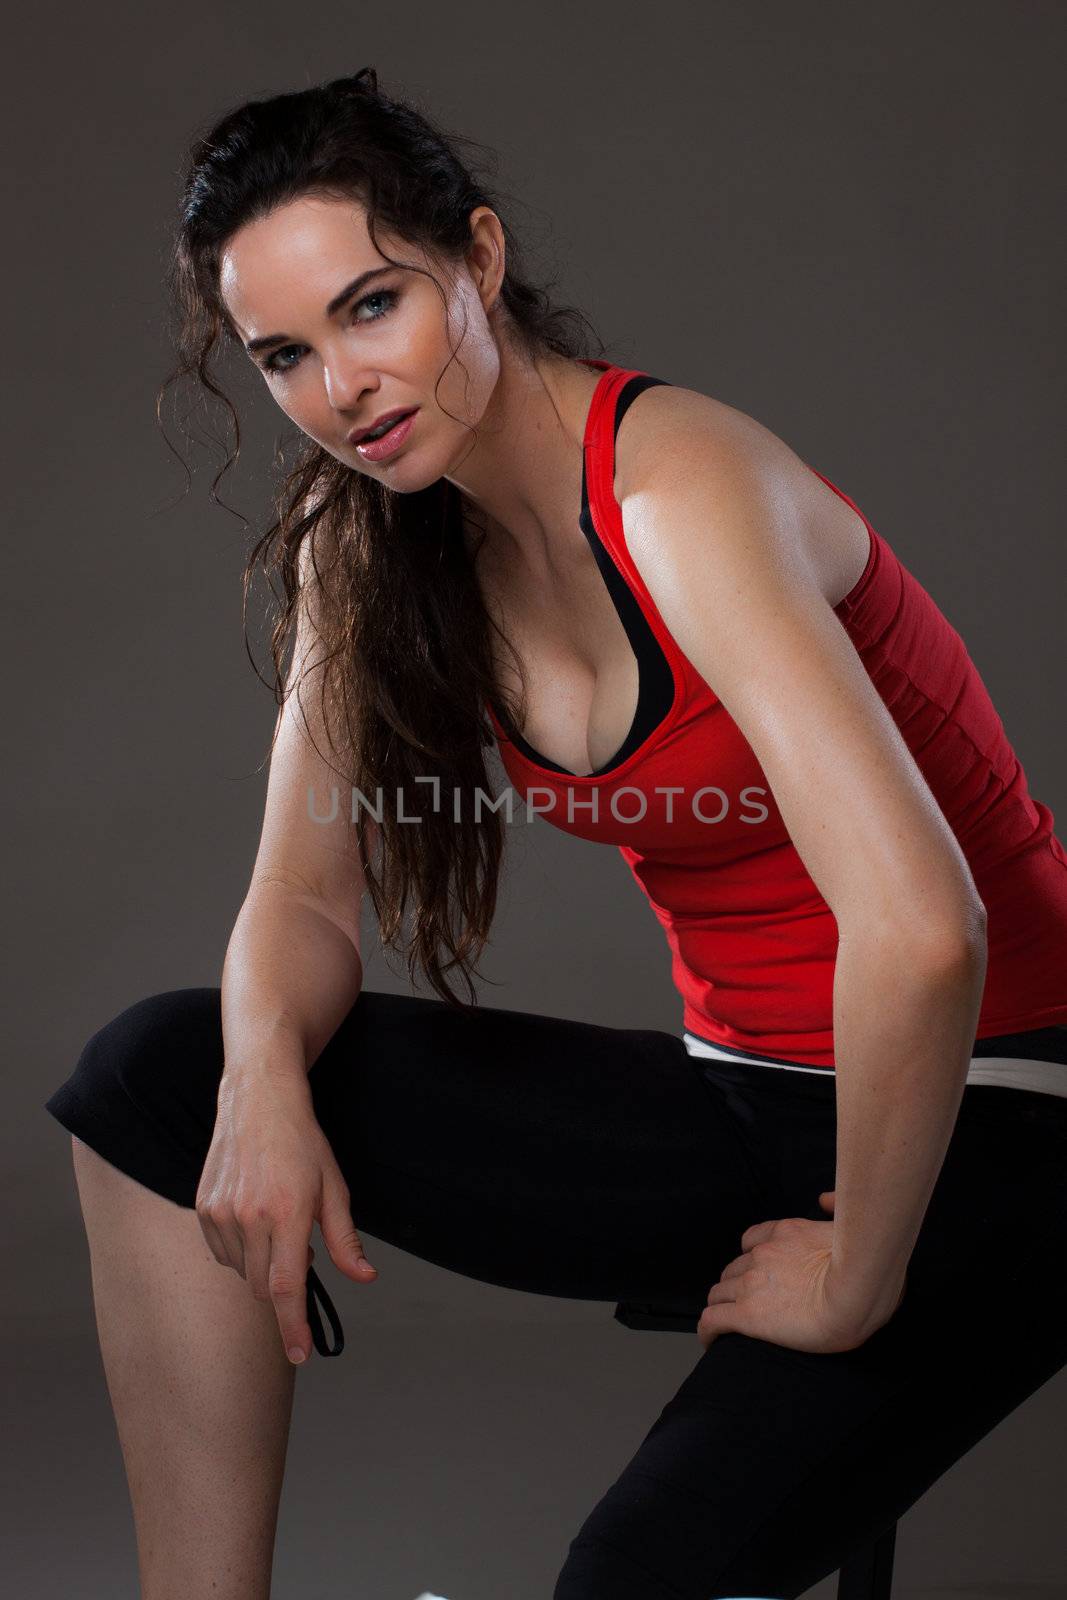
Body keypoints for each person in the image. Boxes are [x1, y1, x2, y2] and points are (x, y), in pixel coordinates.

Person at [44, 64, 1067, 1600]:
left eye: (374, 305)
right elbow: (303, 905)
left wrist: (858, 1282)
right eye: (285, 355)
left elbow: (927, 934)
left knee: (626, 1580)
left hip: (995, 1116)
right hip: (748, 1106)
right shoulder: (373, 548)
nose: (345, 388)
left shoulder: (679, 492)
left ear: (480, 259)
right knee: (153, 1080)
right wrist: (258, 1080)